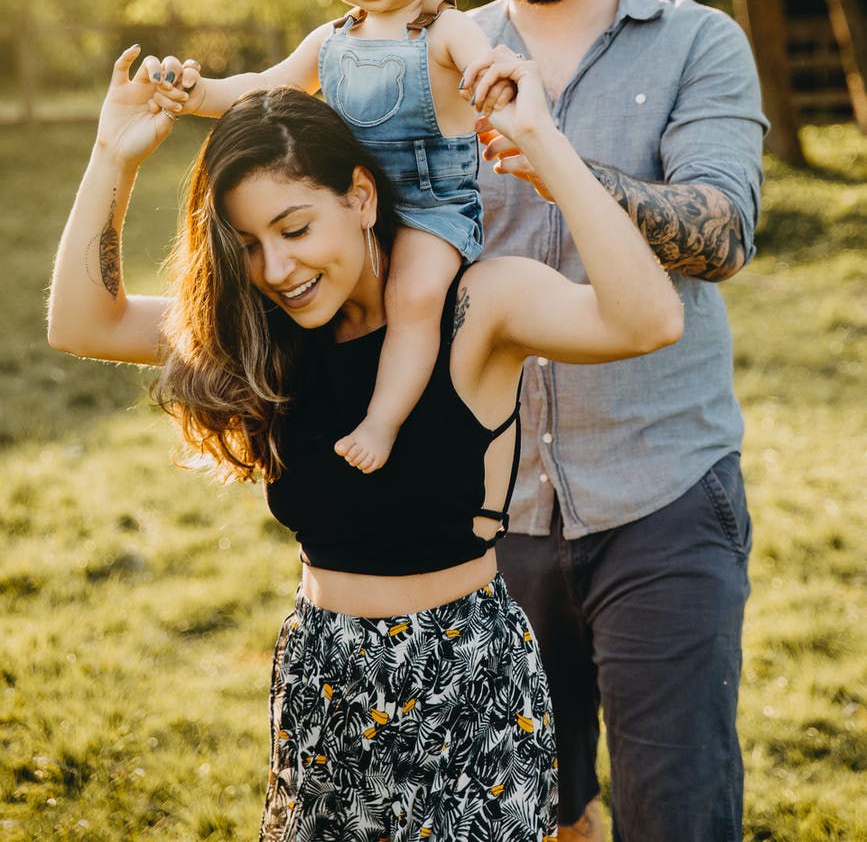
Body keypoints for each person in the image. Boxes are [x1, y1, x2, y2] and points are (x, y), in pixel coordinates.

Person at [48, 44, 683, 841]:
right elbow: (81, 321)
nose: (277, 267)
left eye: (294, 227)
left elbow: (647, 319)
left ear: (358, 196)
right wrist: (113, 151)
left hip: (464, 685)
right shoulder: (266, 331)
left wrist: (546, 149)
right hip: (321, 677)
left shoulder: (474, 307)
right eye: (248, 245)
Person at [469, 0, 768, 842]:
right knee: (528, 813)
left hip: (664, 499)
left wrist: (564, 168)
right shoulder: (442, 56)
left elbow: (722, 230)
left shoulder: (696, 40)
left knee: (675, 815)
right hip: (488, 513)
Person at [153, 0, 512, 475]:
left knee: (414, 297)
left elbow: (489, 72)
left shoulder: (445, 30)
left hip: (431, 212)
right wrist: (197, 89)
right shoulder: (331, 39)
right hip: (352, 212)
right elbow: (262, 86)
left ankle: (383, 419)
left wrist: (501, 85)